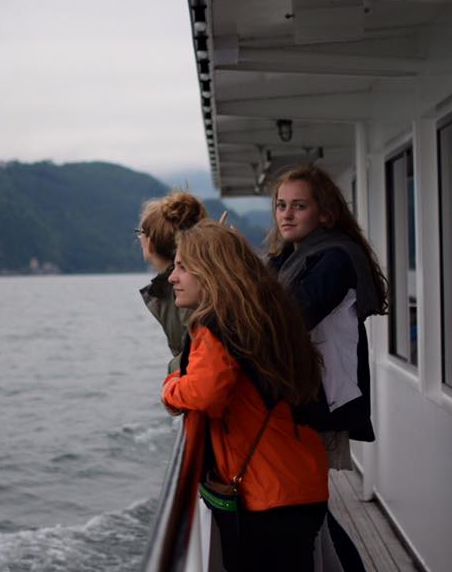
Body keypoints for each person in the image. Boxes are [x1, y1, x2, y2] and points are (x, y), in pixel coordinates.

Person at [162, 221, 329, 571]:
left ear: (210, 271)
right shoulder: (268, 314)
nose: (172, 277)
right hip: (301, 479)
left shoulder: (216, 323)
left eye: (181, 267)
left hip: (266, 493)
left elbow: (205, 394)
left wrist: (171, 387)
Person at [266, 164, 389, 572]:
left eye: (298, 205)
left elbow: (291, 316)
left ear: (325, 212)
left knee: (310, 513)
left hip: (321, 400)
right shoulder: (293, 257)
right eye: (281, 205)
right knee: (311, 513)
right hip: (306, 397)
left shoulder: (334, 258)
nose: (286, 214)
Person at [137, 191, 207, 374]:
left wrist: (172, 372)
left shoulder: (182, 294)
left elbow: (196, 361)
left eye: (140, 233)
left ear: (150, 243)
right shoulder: (173, 288)